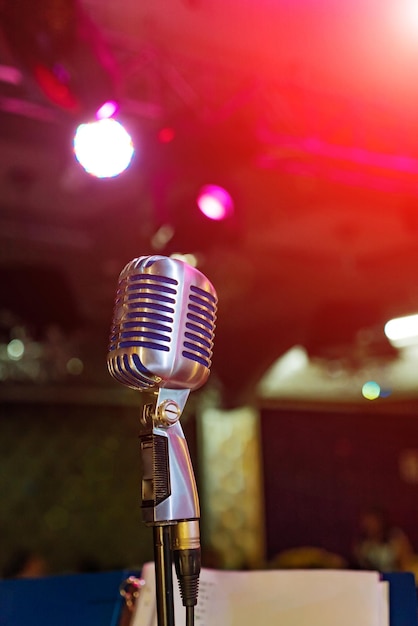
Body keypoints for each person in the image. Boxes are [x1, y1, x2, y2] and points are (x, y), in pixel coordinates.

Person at [352, 508, 413, 572]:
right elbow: (360, 567)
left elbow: (405, 565)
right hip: (371, 579)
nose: (370, 525)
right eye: (367, 522)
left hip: (394, 577)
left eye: (373, 521)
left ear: (381, 521)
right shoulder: (362, 544)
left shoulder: (395, 537)